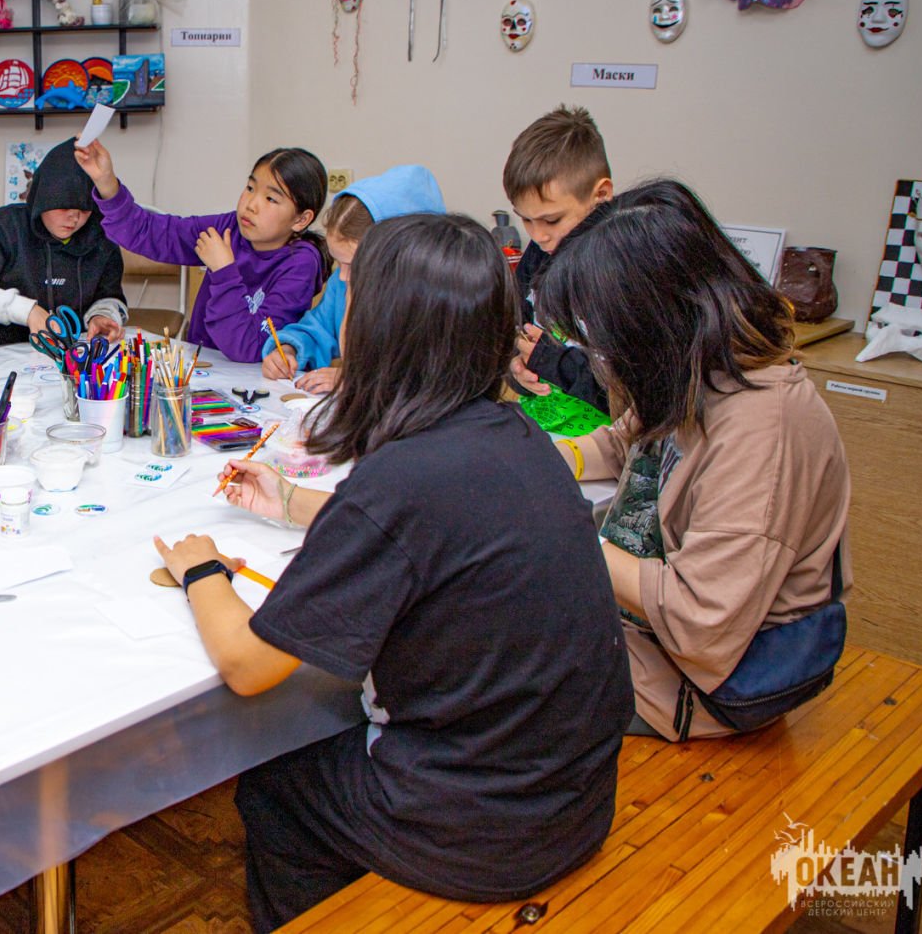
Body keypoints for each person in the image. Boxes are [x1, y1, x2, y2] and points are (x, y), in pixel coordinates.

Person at [156, 214, 631, 931]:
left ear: (384, 330)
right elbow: (436, 528)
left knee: (272, 783)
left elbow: (248, 665)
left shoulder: (398, 479)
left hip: (482, 833)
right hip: (575, 797)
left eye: (352, 291)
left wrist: (201, 573)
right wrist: (295, 503)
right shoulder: (522, 436)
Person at [536, 180, 850, 741]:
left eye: (599, 334)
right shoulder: (698, 371)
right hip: (639, 637)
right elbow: (625, 443)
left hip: (686, 686)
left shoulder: (762, 428)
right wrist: (541, 463)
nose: (598, 355)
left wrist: (564, 534)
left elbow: (700, 619)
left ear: (654, 323)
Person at [75, 139, 328, 363]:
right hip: (204, 367)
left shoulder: (301, 263)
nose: (251, 204)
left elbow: (249, 347)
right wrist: (106, 183)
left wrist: (224, 271)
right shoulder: (229, 228)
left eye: (271, 199)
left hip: (253, 381)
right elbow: (155, 233)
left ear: (301, 220)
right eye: (250, 188)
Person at [260, 165, 444, 393]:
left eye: (355, 265)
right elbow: (316, 329)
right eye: (339, 262)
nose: (343, 276)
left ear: (401, 255)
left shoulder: (437, 298)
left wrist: (356, 381)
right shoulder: (342, 282)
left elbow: (429, 379)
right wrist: (288, 350)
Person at [0, 138, 126, 351]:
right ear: (44, 200)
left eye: (84, 210)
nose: (74, 218)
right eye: (64, 208)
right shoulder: (4, 227)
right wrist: (24, 310)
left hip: (67, 358)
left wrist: (102, 315)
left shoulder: (99, 237)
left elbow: (110, 295)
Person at [503, 105, 615, 412]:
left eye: (552, 220)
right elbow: (516, 329)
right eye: (526, 219)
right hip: (542, 422)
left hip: (610, 433)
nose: (538, 235)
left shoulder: (625, 270)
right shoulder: (540, 253)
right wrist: (517, 370)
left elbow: (637, 395)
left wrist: (554, 363)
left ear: (601, 195)